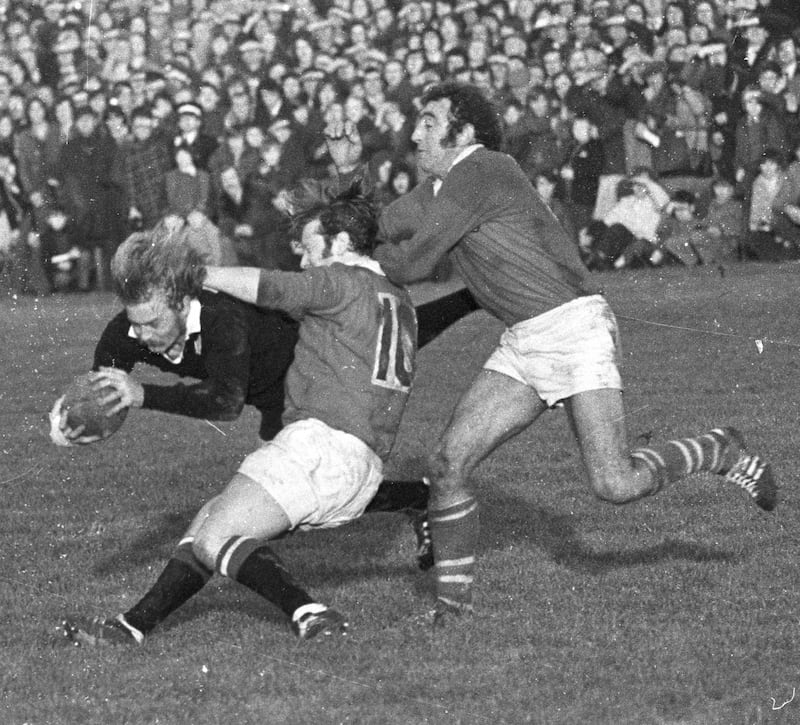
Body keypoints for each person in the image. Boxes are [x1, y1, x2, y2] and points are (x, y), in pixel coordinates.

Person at [325, 80, 778, 625]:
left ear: (463, 131)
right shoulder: (439, 188)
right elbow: (372, 225)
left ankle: (719, 450)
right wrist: (347, 171)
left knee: (616, 484)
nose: (415, 133)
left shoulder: (484, 169)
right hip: (524, 338)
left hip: (574, 327)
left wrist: (364, 251)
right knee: (447, 463)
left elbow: (412, 264)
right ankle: (452, 613)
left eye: (428, 120)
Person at [60, 181, 421, 645]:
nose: (304, 259)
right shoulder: (396, 297)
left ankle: (312, 615)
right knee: (210, 521)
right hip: (359, 461)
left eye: (311, 248)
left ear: (343, 244)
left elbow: (269, 287)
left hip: (319, 446)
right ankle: (131, 627)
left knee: (215, 539)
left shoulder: (340, 282)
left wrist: (190, 272)